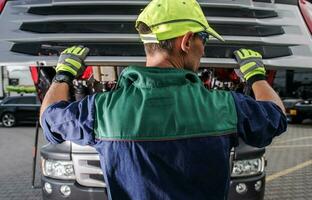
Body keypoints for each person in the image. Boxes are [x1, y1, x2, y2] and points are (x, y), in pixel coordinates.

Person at [40, 0, 287, 199]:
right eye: (205, 38)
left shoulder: (103, 111)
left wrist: (63, 75)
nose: (205, 48)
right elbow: (276, 116)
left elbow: (48, 118)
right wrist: (256, 77)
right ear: (187, 41)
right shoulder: (224, 107)